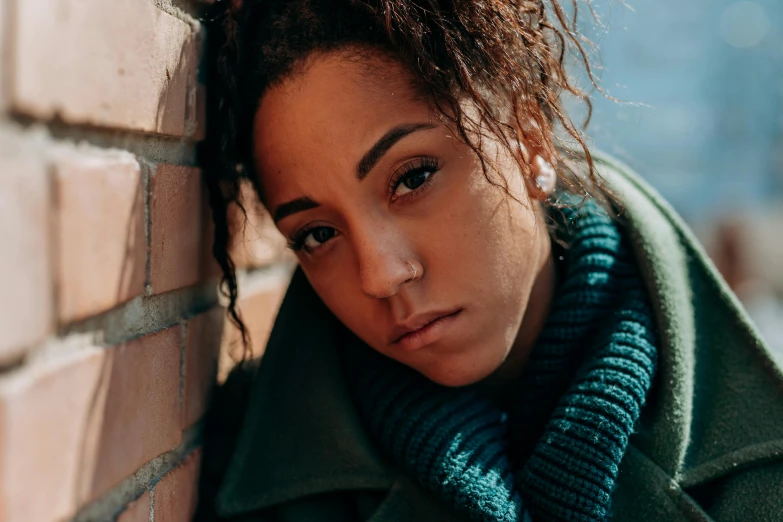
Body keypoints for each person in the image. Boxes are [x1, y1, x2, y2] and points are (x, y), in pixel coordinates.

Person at [195, 1, 783, 521]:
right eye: (318, 234)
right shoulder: (249, 480)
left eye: (413, 177)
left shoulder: (760, 456)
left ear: (530, 136)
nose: (381, 275)